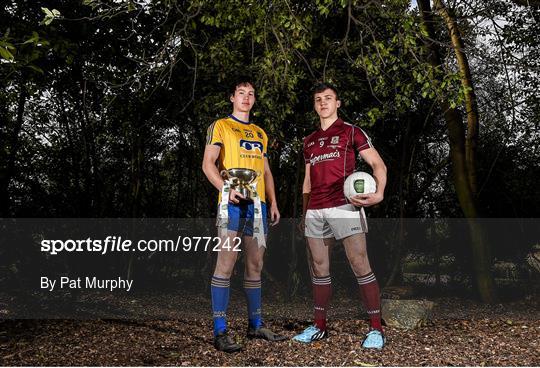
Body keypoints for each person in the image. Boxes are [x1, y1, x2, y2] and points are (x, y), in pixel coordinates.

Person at [293, 82, 387, 349]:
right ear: (315, 105)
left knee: (359, 263)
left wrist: (379, 193)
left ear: (338, 103)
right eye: (318, 99)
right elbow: (307, 182)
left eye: (328, 98)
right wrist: (304, 212)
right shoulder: (308, 141)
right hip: (315, 209)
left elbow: (378, 164)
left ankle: (376, 330)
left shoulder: (351, 132)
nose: (323, 102)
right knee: (319, 268)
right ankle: (319, 326)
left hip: (345, 206)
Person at [202, 76, 286, 353]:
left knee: (255, 265)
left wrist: (272, 201)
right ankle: (220, 331)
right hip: (231, 204)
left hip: (258, 206)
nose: (246, 97)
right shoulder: (221, 126)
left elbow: (267, 172)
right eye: (241, 92)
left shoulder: (260, 133)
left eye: (251, 93)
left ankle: (256, 325)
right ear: (232, 97)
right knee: (225, 264)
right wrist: (226, 188)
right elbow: (207, 164)